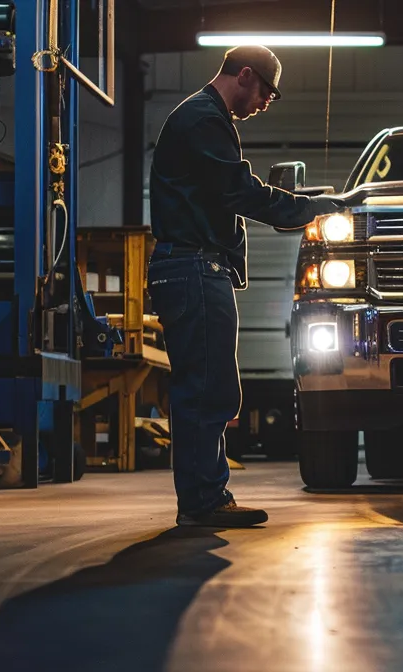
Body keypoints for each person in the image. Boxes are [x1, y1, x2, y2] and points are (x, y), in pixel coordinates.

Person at [148, 45, 343, 527]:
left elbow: (229, 192)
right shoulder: (203, 121)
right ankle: (202, 502)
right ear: (246, 75)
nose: (265, 104)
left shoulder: (203, 119)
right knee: (206, 388)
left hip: (192, 267)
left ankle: (204, 497)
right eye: (267, 94)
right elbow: (241, 192)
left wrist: (303, 203)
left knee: (208, 386)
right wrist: (313, 209)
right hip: (194, 268)